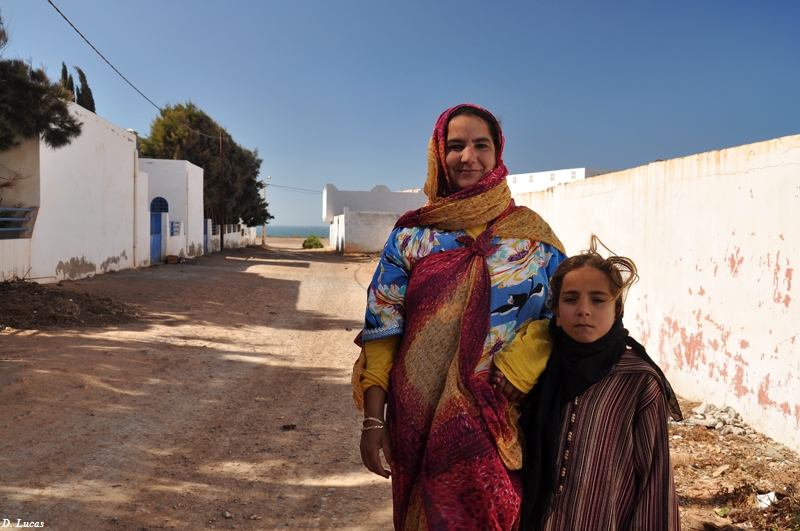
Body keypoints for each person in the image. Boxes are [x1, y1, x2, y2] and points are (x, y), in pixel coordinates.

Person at [351, 103, 566, 530]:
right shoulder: (412, 236)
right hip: (420, 415)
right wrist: (373, 420)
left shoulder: (533, 236)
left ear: (498, 152)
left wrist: (527, 359)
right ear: (438, 155)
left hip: (507, 412)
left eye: (480, 145)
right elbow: (383, 330)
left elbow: (570, 311)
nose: (468, 156)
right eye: (455, 146)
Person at [496, 236, 683, 531]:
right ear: (556, 310)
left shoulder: (637, 380)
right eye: (570, 299)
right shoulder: (537, 368)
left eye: (598, 299)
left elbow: (654, 476)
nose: (584, 309)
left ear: (617, 309)